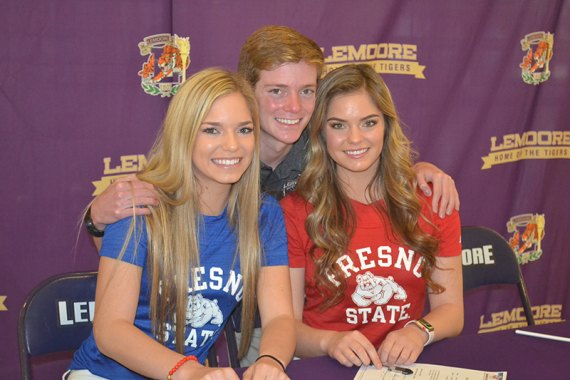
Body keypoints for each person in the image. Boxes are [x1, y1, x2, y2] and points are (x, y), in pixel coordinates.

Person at [83, 26, 460, 365]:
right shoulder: (159, 194)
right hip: (212, 339)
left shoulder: (307, 157)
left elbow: (361, 151)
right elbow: (140, 275)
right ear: (247, 91)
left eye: (307, 91)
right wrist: (97, 221)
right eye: (277, 91)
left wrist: (415, 173)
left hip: (260, 333)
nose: (294, 107)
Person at [68, 68, 294, 379]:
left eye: (244, 130)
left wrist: (271, 360)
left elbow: (280, 316)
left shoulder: (263, 214)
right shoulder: (142, 205)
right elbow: (111, 331)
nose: (232, 145)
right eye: (211, 130)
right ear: (183, 135)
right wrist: (189, 372)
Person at [281, 64, 463, 369]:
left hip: (405, 368)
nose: (355, 138)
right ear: (321, 133)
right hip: (328, 366)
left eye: (368, 123)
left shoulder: (431, 202)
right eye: (338, 125)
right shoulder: (296, 211)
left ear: (386, 126)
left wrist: (420, 331)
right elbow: (285, 328)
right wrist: (330, 341)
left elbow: (452, 312)